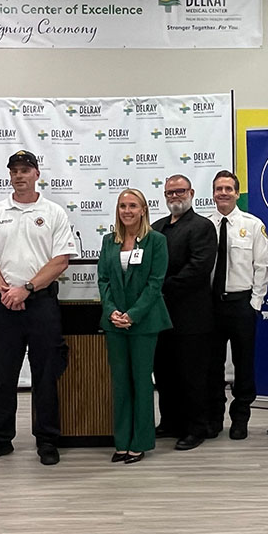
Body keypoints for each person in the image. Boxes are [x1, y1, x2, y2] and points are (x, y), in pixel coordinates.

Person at [0, 150, 77, 466]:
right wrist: (5, 289)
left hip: (40, 304)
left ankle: (47, 440)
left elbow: (60, 260)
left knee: (46, 375)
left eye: (25, 170)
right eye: (14, 171)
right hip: (5, 305)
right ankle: (1, 439)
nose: (19, 175)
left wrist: (26, 288)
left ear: (36, 174)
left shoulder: (54, 212)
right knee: (4, 376)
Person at [98, 189, 172, 464]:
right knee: (120, 383)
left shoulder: (156, 241)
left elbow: (156, 282)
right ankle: (122, 442)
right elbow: (103, 281)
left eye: (132, 206)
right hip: (114, 322)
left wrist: (133, 314)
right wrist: (112, 312)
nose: (126, 211)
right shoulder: (109, 242)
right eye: (122, 206)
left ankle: (139, 442)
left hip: (144, 323)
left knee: (141, 382)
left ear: (143, 210)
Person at [205, 170, 268, 441]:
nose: (223, 193)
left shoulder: (253, 225)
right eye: (218, 188)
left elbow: (263, 265)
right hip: (210, 305)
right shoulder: (204, 225)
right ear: (213, 193)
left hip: (241, 303)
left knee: (244, 364)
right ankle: (213, 417)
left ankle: (240, 417)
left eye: (228, 189)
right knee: (212, 365)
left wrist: (254, 303)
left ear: (237, 192)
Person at [151, 174, 216, 451]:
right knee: (164, 373)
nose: (174, 197)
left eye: (179, 191)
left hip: (192, 316)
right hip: (160, 316)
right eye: (169, 193)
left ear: (190, 192)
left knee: (192, 376)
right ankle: (170, 422)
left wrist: (159, 287)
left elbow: (198, 268)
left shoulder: (202, 227)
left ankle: (195, 428)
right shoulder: (157, 227)